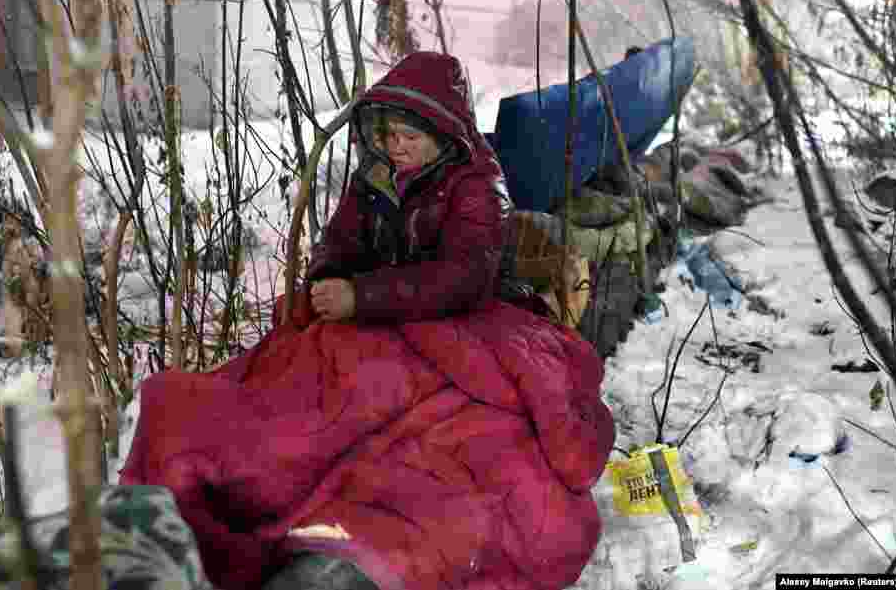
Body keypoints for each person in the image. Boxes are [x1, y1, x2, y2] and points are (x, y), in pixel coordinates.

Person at [120, 52, 615, 590]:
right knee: (280, 396)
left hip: (460, 317)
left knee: (413, 411)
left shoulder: (478, 185)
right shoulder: (377, 175)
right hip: (379, 314)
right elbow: (342, 238)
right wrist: (328, 277)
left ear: (445, 133)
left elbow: (465, 276)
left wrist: (363, 296)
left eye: (411, 137)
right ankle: (223, 486)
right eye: (389, 135)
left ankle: (341, 527)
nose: (398, 147)